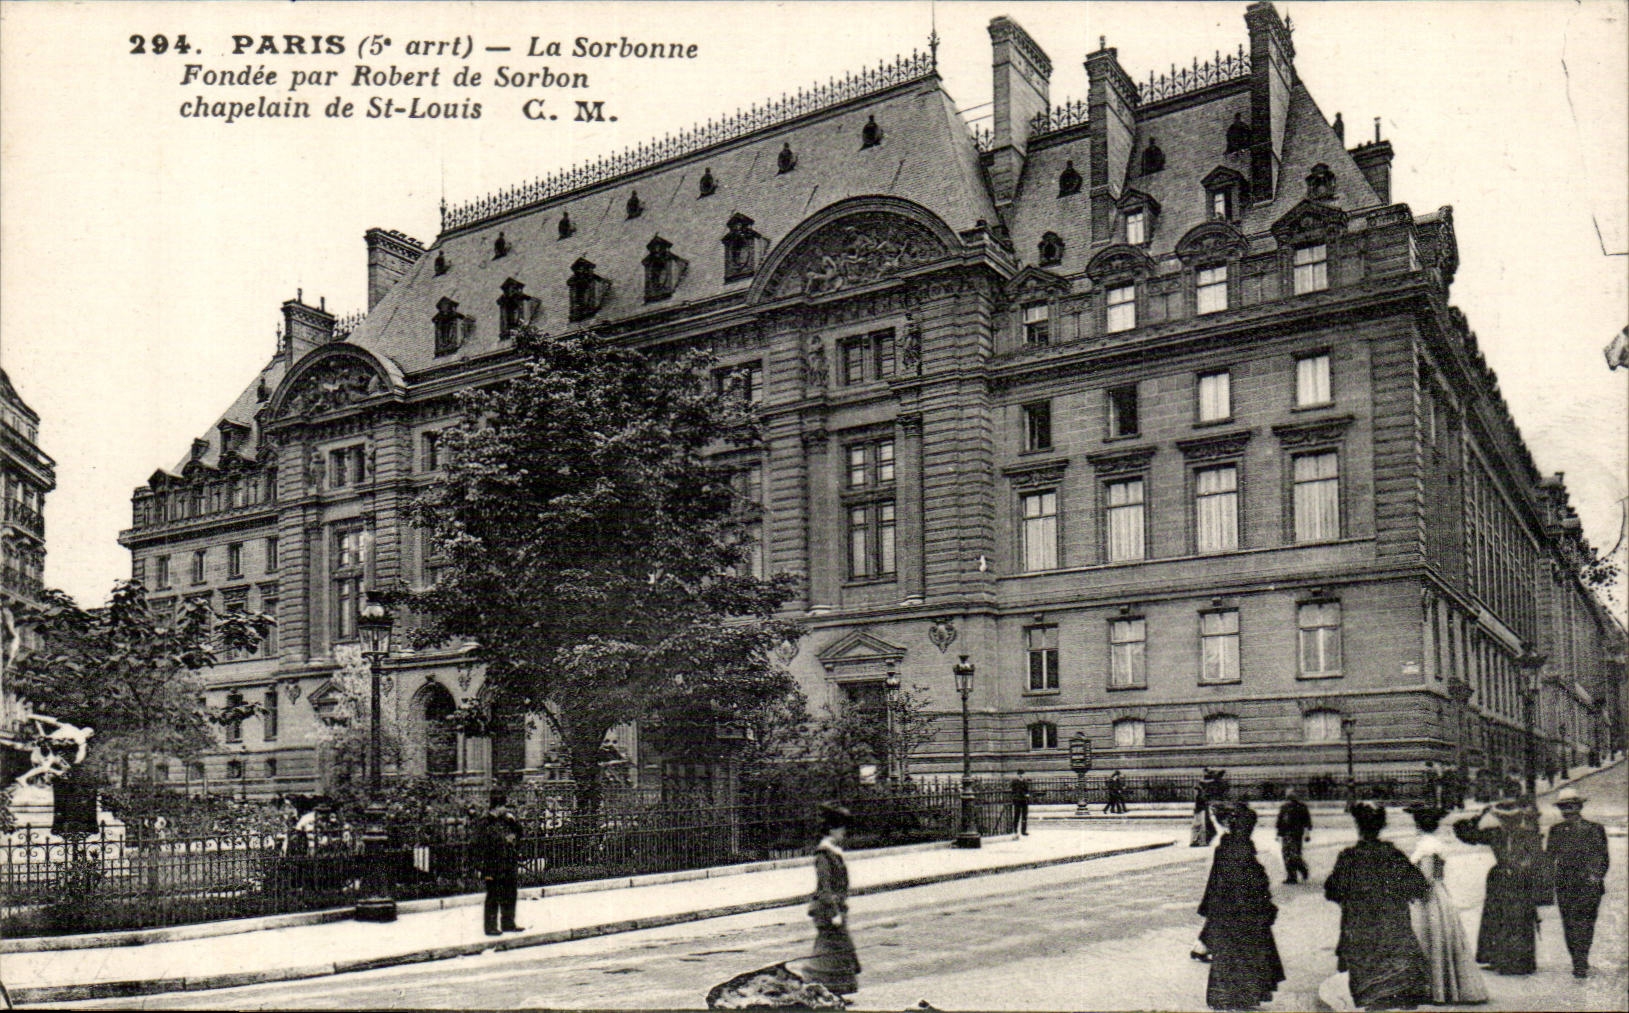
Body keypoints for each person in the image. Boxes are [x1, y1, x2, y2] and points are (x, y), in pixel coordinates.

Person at [1324, 801, 1432, 1010]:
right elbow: (1418, 885)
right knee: (1397, 977)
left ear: (1358, 827)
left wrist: (1354, 900)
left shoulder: (1349, 857)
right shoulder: (1393, 855)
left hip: (1360, 926)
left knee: (1369, 986)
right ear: (1381, 826)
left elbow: (1332, 890)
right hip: (1393, 924)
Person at [1197, 804, 1285, 1011]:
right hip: (1243, 913)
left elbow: (1217, 881)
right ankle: (1240, 998)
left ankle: (1230, 998)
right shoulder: (1241, 849)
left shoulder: (1228, 847)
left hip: (1228, 912)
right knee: (1245, 956)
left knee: (1232, 957)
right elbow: (1249, 882)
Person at [1406, 805, 1487, 1004]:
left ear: (1419, 825)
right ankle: (1441, 988)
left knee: (1429, 939)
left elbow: (1426, 878)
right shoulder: (1434, 842)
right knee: (1440, 940)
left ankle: (1434, 990)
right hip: (1438, 895)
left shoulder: (1426, 846)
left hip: (1428, 898)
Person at [1453, 797, 1542, 975]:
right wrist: (1480, 816)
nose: (1509, 821)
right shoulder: (1499, 832)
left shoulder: (1523, 832)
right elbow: (1463, 831)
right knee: (1501, 917)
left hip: (1515, 877)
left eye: (1512, 818)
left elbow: (1536, 858)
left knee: (1513, 917)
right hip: (1506, 877)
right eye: (1505, 818)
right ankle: (1500, 958)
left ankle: (1513, 961)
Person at [1545, 787, 1609, 979]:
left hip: (1589, 884)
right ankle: (1576, 959)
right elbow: (1550, 858)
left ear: (1579, 807)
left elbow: (1602, 856)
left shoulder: (1594, 829)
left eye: (1571, 807)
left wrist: (1595, 875)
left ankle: (1581, 960)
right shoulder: (1556, 830)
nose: (1567, 811)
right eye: (1563, 808)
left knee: (1586, 922)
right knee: (1569, 923)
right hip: (1565, 883)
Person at [804, 803, 860, 996]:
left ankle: (827, 987)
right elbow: (825, 887)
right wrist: (834, 912)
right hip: (827, 910)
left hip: (834, 908)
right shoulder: (823, 855)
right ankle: (813, 983)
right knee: (832, 948)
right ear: (832, 829)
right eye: (841, 828)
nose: (843, 833)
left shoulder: (833, 852)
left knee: (834, 949)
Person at [476, 792, 524, 936]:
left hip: (508, 862)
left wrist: (514, 822)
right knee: (493, 895)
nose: (505, 809)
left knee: (510, 894)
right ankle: (490, 927)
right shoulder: (485, 822)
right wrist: (505, 840)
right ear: (497, 806)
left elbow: (520, 833)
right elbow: (481, 844)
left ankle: (508, 923)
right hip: (492, 864)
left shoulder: (506, 821)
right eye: (503, 806)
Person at [1275, 793, 1312, 884]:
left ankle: (1302, 869)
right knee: (1287, 855)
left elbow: (1307, 822)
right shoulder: (1284, 808)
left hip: (1296, 834)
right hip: (1287, 835)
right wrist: (1278, 834)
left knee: (1293, 855)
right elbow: (1280, 822)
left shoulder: (1301, 807)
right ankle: (1292, 877)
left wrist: (1307, 833)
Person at [1191, 782, 1217, 848]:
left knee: (1200, 827)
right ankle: (1199, 841)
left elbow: (1202, 806)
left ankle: (1198, 841)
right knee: (1199, 827)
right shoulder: (1201, 796)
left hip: (1200, 812)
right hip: (1200, 812)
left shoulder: (1200, 797)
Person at [1010, 770, 1030, 835]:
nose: (1021, 775)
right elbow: (1013, 791)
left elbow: (1027, 790)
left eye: (1022, 774)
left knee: (1024, 815)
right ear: (1017, 774)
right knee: (1017, 815)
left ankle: (1023, 831)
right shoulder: (1014, 781)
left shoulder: (1025, 781)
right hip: (1017, 800)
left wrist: (1027, 794)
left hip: (1024, 800)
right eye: (1019, 774)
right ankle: (1015, 829)